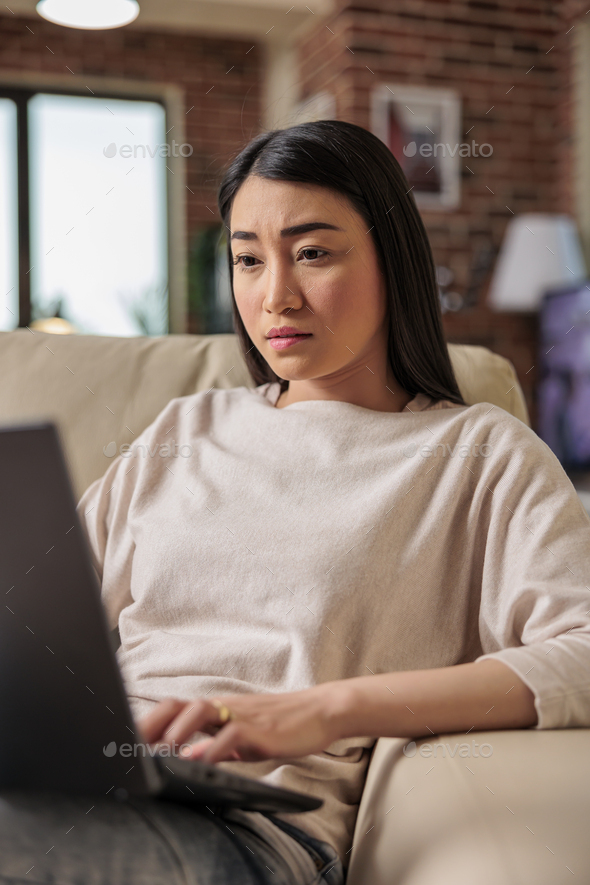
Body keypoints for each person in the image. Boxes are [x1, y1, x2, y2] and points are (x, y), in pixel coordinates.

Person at [2, 119, 590, 885]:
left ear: (392, 258)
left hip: (248, 826)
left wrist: (327, 709)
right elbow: (35, 622)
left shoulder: (480, 453)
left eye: (312, 252)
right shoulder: (187, 428)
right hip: (94, 779)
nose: (274, 294)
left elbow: (581, 650)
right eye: (248, 260)